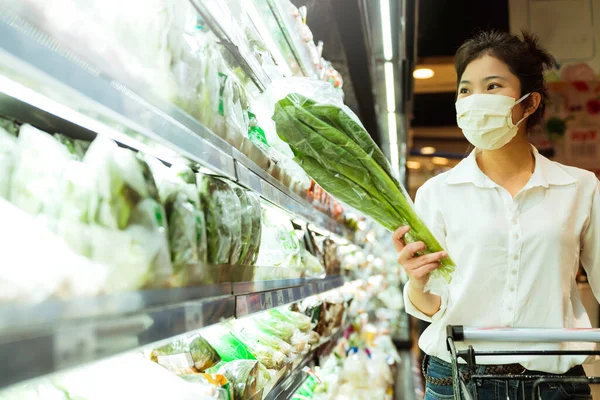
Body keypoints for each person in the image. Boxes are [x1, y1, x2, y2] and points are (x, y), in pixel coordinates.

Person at [394, 30, 600, 400]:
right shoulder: (437, 194)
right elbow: (431, 308)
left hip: (553, 385)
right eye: (465, 90)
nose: (475, 101)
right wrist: (416, 280)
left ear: (530, 102)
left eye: (492, 86)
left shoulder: (580, 188)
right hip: (457, 379)